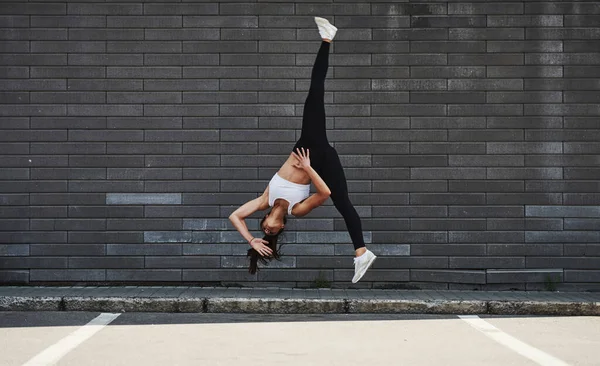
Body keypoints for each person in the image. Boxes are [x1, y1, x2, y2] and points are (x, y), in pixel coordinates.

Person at [229, 17, 376, 283]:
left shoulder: (266, 199)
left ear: (263, 220)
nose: (268, 230)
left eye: (264, 229)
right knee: (342, 202)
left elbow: (235, 216)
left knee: (314, 93)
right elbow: (324, 193)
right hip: (317, 162)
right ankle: (363, 253)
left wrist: (252, 240)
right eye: (271, 234)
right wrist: (309, 169)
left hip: (308, 145)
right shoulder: (296, 210)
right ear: (282, 226)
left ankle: (327, 38)